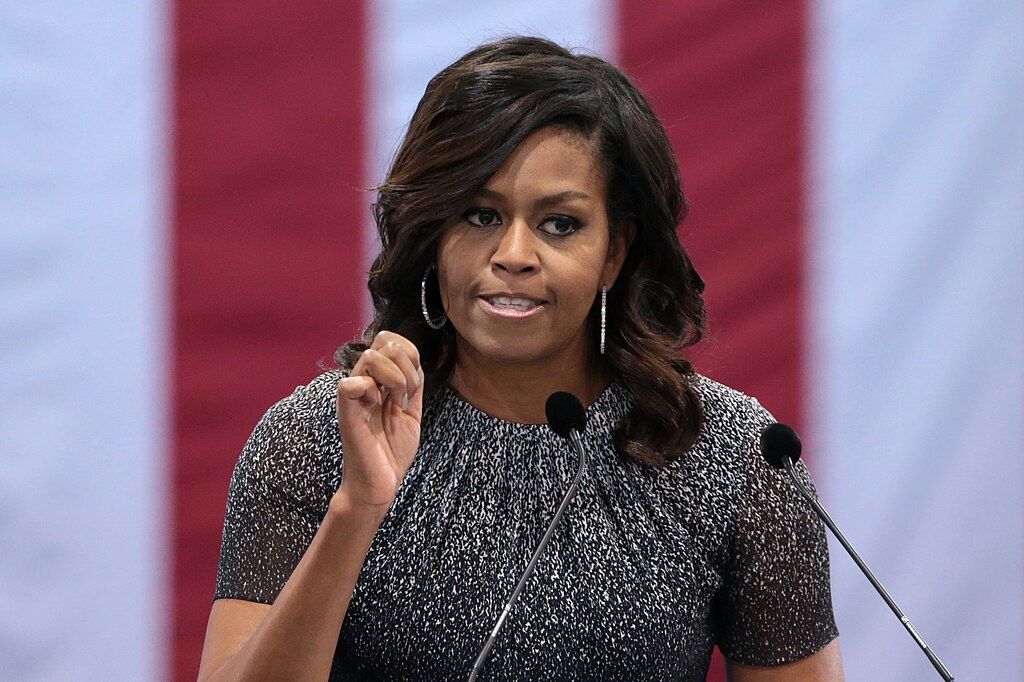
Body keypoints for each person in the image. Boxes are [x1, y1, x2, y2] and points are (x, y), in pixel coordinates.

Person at [197, 36, 843, 681]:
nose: (513, 254)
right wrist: (357, 507)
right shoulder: (313, 441)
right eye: (480, 215)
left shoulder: (736, 457)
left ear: (614, 252)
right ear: (432, 234)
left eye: (559, 224)